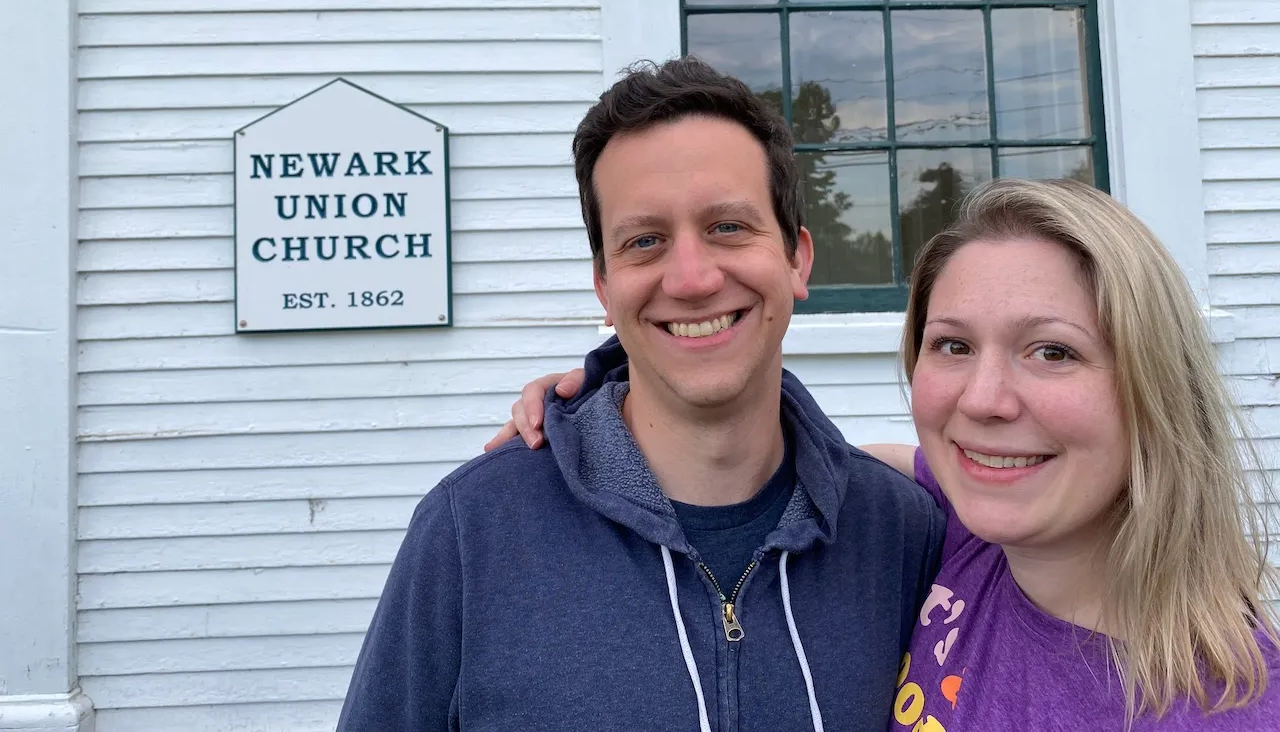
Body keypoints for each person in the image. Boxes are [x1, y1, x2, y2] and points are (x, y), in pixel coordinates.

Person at [497, 178, 1280, 729]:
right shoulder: (967, 527)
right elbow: (830, 462)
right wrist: (613, 409)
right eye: (953, 346)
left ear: (1155, 384)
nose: (984, 400)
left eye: (1052, 352)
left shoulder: (1231, 706)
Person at [337, 57, 945, 732]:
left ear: (797, 257)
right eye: (645, 241)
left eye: (728, 227)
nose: (690, 279)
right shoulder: (472, 532)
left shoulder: (902, 532)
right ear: (604, 285)